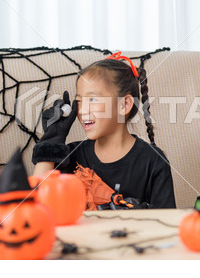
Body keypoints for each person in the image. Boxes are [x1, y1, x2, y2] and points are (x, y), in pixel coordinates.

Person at [32, 53, 176, 208]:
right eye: (79, 101)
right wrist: (51, 140)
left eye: (92, 99)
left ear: (124, 105)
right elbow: (35, 204)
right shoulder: (70, 156)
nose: (82, 110)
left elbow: (166, 222)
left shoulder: (153, 161)